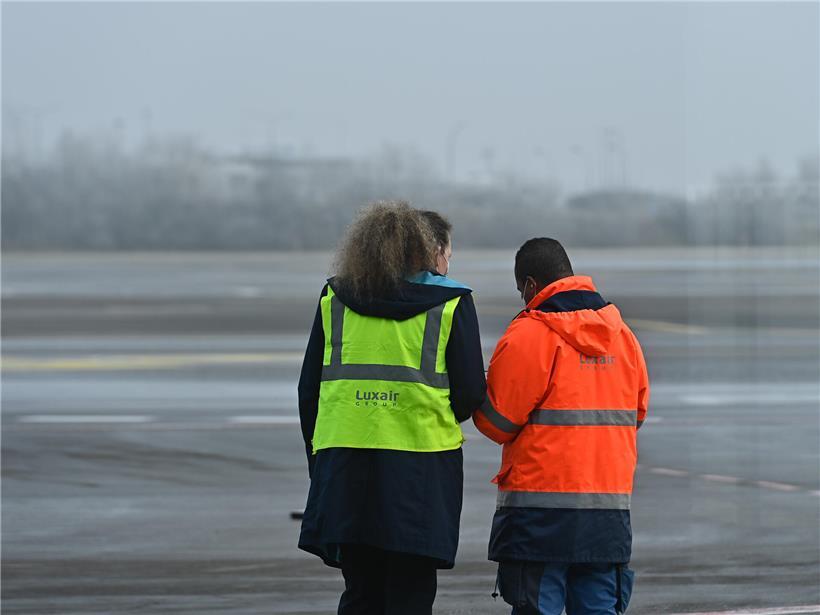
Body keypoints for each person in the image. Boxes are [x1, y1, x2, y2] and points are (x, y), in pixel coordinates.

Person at [298, 201, 486, 615]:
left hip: (345, 464)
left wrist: (322, 460)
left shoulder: (334, 297)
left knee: (360, 592)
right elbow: (471, 392)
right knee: (411, 593)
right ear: (427, 250)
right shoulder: (451, 302)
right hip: (419, 468)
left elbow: (309, 390)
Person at [473, 238, 649, 615]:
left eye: (522, 290)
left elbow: (496, 422)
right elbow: (635, 415)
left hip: (539, 516)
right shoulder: (623, 337)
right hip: (607, 512)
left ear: (532, 286)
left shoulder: (529, 335)